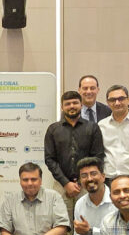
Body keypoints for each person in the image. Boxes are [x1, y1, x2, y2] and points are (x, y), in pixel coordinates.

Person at [44, 90, 105, 226]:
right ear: (62, 107)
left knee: (87, 222)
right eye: (67, 104)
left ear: (81, 105)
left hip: (87, 183)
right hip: (61, 185)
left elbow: (98, 156)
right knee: (62, 224)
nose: (71, 106)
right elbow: (50, 159)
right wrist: (66, 183)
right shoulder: (53, 129)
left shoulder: (92, 128)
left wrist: (82, 181)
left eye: (75, 103)